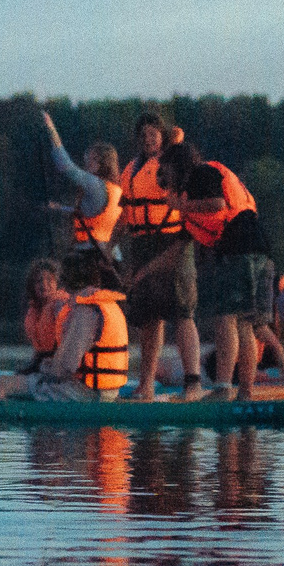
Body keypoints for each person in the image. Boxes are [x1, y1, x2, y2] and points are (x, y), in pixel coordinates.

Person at [0, 248, 128, 420]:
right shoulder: (108, 304)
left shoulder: (86, 311)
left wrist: (47, 371)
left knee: (4, 383)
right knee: (24, 382)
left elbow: (66, 368)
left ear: (66, 281)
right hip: (106, 392)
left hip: (84, 394)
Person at [162, 140, 274, 398]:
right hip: (260, 251)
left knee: (226, 318)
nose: (166, 180)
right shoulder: (207, 176)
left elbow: (218, 205)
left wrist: (180, 207)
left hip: (239, 250)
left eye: (167, 172)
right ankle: (245, 393)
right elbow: (183, 244)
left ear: (178, 167)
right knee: (245, 323)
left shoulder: (201, 173)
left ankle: (223, 387)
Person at [117, 111, 201, 399]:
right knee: (149, 316)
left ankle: (193, 383)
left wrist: (174, 143)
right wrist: (109, 244)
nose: (147, 138)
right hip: (142, 242)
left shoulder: (170, 161)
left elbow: (182, 163)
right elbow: (123, 212)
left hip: (171, 239)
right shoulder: (130, 168)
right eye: (143, 134)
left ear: (162, 136)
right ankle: (146, 384)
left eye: (153, 133)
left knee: (181, 311)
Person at [38, 110, 123, 261]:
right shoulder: (116, 189)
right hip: (112, 256)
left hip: (91, 254)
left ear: (100, 163)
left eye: (90, 160)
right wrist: (60, 208)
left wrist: (51, 129)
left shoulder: (95, 184)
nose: (86, 164)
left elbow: (65, 166)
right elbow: (92, 213)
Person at [19, 258, 70, 373]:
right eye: (39, 281)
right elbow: (40, 349)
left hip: (58, 366)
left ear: (58, 283)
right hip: (43, 361)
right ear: (32, 286)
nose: (44, 284)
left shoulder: (61, 305)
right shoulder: (36, 309)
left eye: (49, 280)